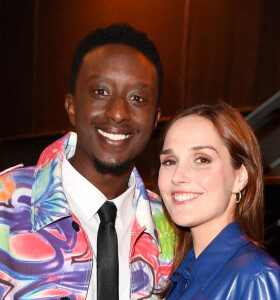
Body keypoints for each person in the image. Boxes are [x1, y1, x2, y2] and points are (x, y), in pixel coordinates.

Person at [0, 23, 175, 300]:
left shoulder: (172, 227)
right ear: (71, 107)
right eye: (100, 92)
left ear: (154, 120)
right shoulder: (6, 207)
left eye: (137, 97)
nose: (118, 113)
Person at [156, 103, 280, 299]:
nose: (178, 176)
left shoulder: (256, 277)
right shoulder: (183, 274)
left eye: (202, 159)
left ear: (240, 177)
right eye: (169, 161)